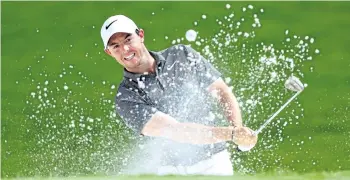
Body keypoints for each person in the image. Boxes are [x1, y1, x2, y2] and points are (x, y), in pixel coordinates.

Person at [100, 14, 258, 176]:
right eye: (115, 46)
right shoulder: (125, 97)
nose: (125, 50)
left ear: (141, 35)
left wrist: (238, 130)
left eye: (128, 40)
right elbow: (176, 130)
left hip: (214, 162)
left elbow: (221, 91)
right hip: (170, 171)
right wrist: (231, 134)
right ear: (109, 52)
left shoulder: (180, 55)